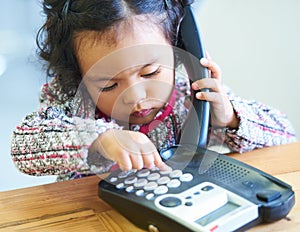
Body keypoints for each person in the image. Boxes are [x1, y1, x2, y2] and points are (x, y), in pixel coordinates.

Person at [11, 0, 296, 181]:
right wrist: (100, 139)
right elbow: (24, 149)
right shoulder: (70, 101)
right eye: (109, 84)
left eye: (151, 72)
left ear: (180, 50)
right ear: (79, 76)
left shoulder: (192, 98)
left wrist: (231, 117)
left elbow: (287, 139)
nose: (135, 97)